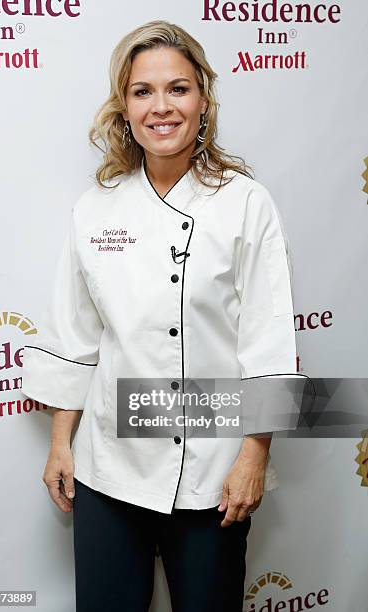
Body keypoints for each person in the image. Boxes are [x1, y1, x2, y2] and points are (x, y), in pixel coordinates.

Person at [21, 19, 303, 612]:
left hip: (213, 468)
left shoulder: (245, 202)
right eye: (142, 91)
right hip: (110, 465)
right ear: (124, 107)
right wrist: (60, 444)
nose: (161, 107)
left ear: (203, 98)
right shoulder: (96, 210)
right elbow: (75, 335)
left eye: (177, 88)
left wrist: (255, 454)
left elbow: (268, 338)